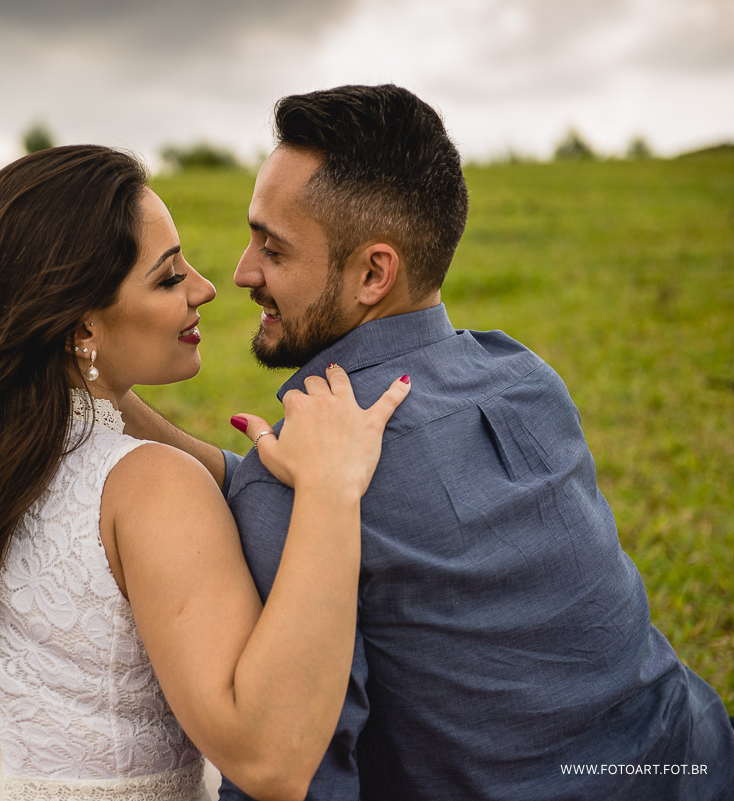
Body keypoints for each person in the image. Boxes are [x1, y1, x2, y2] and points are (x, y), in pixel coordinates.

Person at [120, 84, 734, 799]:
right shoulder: (524, 378)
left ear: (374, 272)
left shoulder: (292, 492)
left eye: (273, 248)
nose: (242, 272)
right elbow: (403, 517)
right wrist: (111, 401)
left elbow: (300, 775)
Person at [0, 145, 411, 801]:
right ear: (79, 326)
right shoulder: (151, 487)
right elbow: (270, 760)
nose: (207, 288)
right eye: (169, 276)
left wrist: (89, 367)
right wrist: (330, 487)